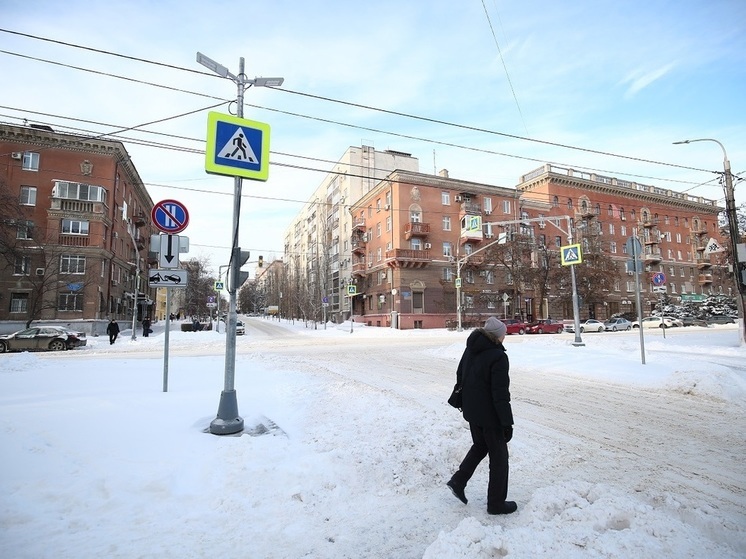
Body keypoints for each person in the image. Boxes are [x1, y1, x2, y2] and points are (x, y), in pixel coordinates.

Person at [447, 316, 517, 515]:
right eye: (504, 334)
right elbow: (500, 394)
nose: (505, 337)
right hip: (490, 416)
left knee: (480, 446)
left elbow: (460, 375)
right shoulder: (498, 356)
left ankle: (458, 481)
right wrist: (506, 423)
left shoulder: (471, 348)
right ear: (497, 336)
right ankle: (496, 504)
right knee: (500, 458)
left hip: (472, 411)